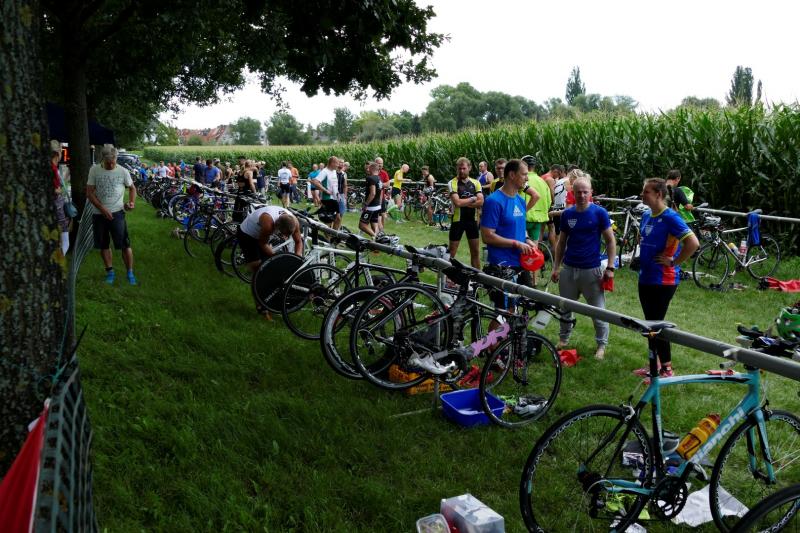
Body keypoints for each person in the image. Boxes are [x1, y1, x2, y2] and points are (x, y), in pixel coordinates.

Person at [633, 178, 700, 378]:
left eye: (646, 192)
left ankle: (667, 368)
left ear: (659, 194)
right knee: (649, 324)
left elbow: (693, 243)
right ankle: (654, 365)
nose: (642, 195)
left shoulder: (670, 217)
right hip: (645, 276)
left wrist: (674, 262)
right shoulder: (647, 215)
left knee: (657, 324)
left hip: (663, 280)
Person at [550, 175, 616, 360]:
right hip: (569, 269)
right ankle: (563, 339)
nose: (582, 195)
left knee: (598, 311)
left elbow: (611, 241)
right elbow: (561, 243)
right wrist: (556, 267)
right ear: (573, 193)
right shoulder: (567, 214)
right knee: (564, 308)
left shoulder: (599, 213)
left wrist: (610, 268)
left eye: (585, 192)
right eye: (578, 192)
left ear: (591, 193)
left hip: (591, 270)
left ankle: (601, 345)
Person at [480, 159, 536, 314]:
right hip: (502, 266)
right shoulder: (493, 201)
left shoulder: (520, 200)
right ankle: (496, 332)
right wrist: (516, 244)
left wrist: (527, 240)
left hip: (521, 264)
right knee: (503, 314)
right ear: (512, 175)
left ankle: (514, 331)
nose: (527, 178)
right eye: (524, 174)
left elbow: (520, 228)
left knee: (523, 310)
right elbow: (487, 236)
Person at [86, 145, 138, 285]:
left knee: (124, 244)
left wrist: (131, 203)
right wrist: (102, 209)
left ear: (116, 158)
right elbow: (89, 193)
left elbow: (132, 188)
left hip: (117, 213)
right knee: (103, 244)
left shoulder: (123, 171)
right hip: (99, 214)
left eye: (113, 162)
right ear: (103, 159)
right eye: (108, 162)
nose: (110, 165)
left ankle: (130, 273)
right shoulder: (94, 170)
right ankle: (110, 272)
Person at [237, 205, 303, 273]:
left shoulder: (294, 222)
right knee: (256, 265)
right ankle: (256, 277)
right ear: (277, 226)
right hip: (247, 233)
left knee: (267, 262)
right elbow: (263, 243)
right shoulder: (268, 224)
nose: (285, 237)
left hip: (262, 233)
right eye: (282, 233)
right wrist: (276, 257)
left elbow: (298, 241)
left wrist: (296, 259)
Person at [448, 157, 484, 269]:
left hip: (472, 221)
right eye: (459, 169)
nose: (461, 171)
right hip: (457, 221)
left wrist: (465, 202)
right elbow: (457, 202)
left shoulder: (476, 183)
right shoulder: (452, 182)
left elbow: (481, 201)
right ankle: (447, 276)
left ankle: (477, 276)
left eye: (464, 168)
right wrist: (473, 199)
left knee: (475, 252)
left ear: (469, 168)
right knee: (451, 253)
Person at [51, 144, 71, 256]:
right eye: (61, 151)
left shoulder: (53, 167)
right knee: (65, 240)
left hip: (57, 206)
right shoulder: (52, 168)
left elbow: (60, 185)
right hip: (57, 207)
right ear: (57, 153)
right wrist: (59, 191)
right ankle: (60, 259)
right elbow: (55, 189)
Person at [310, 156, 340, 228]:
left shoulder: (334, 171)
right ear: (332, 163)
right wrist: (325, 190)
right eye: (337, 163)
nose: (338, 165)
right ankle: (329, 234)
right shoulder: (324, 171)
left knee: (337, 218)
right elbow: (315, 181)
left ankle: (333, 233)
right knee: (329, 220)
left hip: (334, 198)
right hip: (327, 198)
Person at [359, 162, 382, 237]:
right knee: (374, 224)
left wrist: (366, 204)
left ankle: (375, 237)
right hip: (377, 206)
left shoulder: (370, 178)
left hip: (371, 206)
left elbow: (373, 193)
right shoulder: (379, 178)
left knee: (362, 225)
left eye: (369, 168)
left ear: (372, 168)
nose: (368, 169)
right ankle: (378, 241)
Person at [337, 160, 349, 227]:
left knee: (341, 213)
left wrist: (345, 196)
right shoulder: (333, 173)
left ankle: (338, 227)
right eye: (340, 162)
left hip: (341, 195)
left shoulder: (344, 174)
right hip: (334, 195)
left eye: (343, 162)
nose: (342, 163)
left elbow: (345, 185)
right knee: (334, 214)